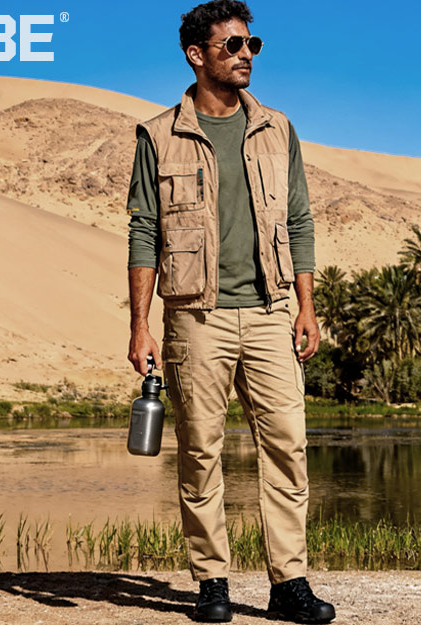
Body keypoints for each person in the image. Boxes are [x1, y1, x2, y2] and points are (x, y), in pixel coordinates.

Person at [124, 1, 332, 622]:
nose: (246, 55)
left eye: (252, 45)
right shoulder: (159, 136)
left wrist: (307, 307)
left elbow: (299, 221)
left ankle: (289, 583)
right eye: (233, 45)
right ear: (197, 54)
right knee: (200, 452)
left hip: (270, 313)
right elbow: (144, 232)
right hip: (196, 317)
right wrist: (139, 325)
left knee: (288, 448)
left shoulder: (277, 129)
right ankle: (212, 582)